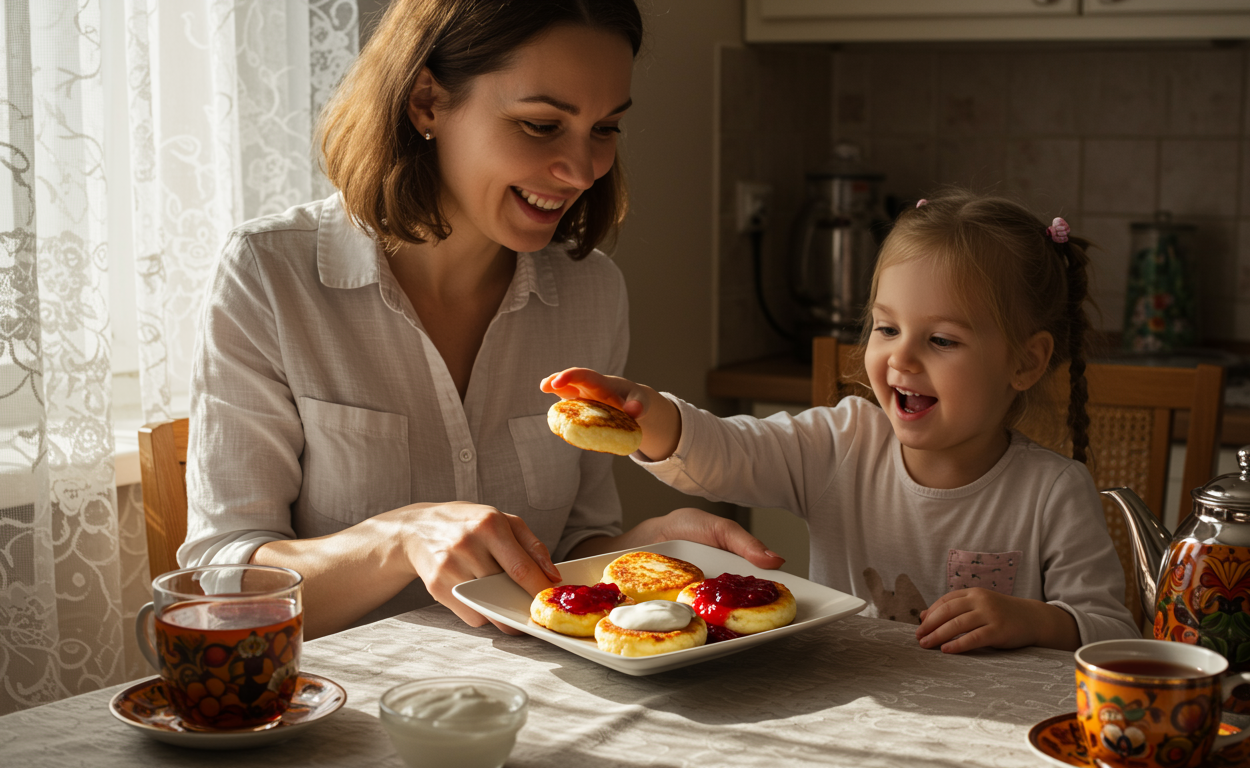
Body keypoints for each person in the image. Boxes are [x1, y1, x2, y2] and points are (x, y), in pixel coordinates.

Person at [179, 0, 781, 639]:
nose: (583, 170)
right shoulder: (270, 275)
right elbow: (225, 591)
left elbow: (574, 543)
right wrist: (399, 538)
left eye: (605, 129)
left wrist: (645, 544)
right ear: (426, 103)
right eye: (542, 125)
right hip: (348, 716)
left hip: (542, 704)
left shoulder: (592, 291)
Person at [541, 189, 1141, 653]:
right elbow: (727, 453)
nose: (901, 358)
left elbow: (1112, 635)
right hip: (848, 710)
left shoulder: (1053, 492)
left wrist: (1033, 619)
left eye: (940, 339)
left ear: (1025, 361)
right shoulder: (842, 443)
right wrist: (651, 415)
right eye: (886, 328)